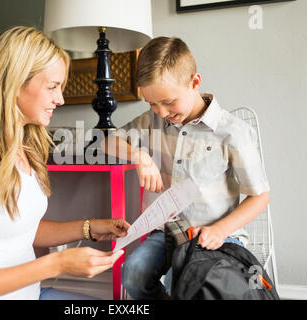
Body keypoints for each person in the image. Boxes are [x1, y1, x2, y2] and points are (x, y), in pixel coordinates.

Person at [0, 26, 129, 300]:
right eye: (52, 87)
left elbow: (22, 229)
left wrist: (90, 227)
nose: (60, 99)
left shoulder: (22, 144)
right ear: (15, 82)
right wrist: (56, 264)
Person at [103, 37, 270, 299]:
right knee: (133, 274)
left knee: (183, 280)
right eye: (151, 103)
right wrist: (138, 156)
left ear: (194, 82)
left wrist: (221, 230)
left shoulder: (233, 132)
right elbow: (107, 142)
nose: (160, 111)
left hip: (214, 235)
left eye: (168, 101)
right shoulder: (152, 121)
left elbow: (260, 196)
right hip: (166, 232)